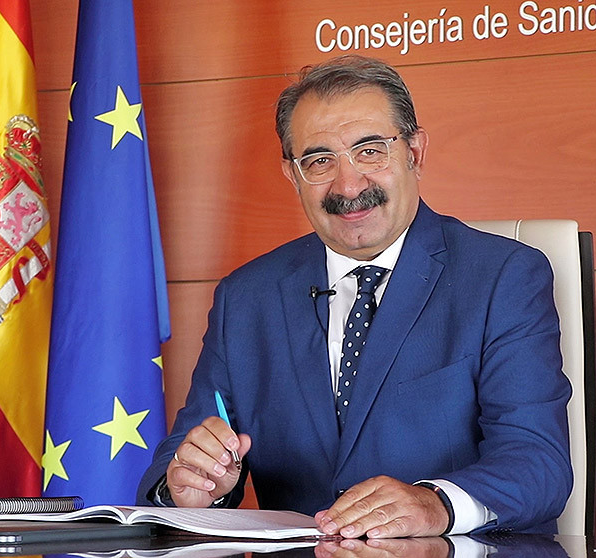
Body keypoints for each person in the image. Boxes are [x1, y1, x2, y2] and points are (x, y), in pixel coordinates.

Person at [137, 55, 572, 537]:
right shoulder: (246, 298)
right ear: (292, 174)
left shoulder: (505, 276)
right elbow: (179, 463)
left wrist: (436, 504)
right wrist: (190, 487)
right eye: (320, 160)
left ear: (414, 152)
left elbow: (539, 464)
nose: (348, 185)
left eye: (369, 151)